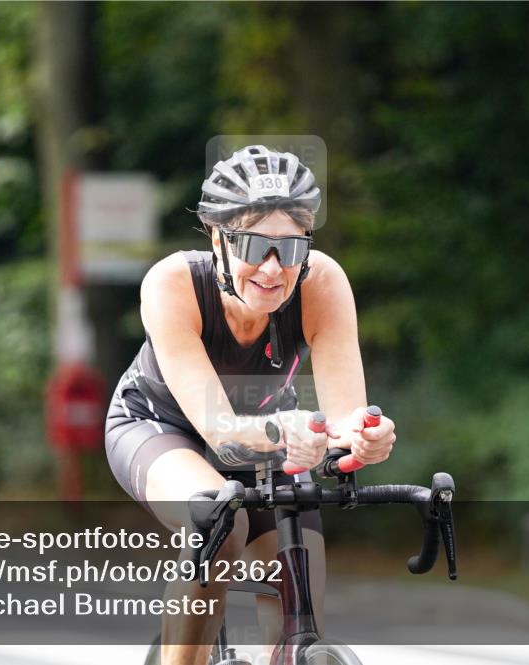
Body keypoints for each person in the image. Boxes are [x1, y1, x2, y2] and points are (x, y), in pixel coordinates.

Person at [104, 145, 396, 665]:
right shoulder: (172, 284)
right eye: (254, 246)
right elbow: (221, 429)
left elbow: (347, 416)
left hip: (272, 431)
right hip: (161, 427)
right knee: (219, 522)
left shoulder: (322, 282)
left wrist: (364, 437)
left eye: (289, 249)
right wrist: (288, 432)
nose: (271, 268)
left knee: (298, 592)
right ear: (218, 240)